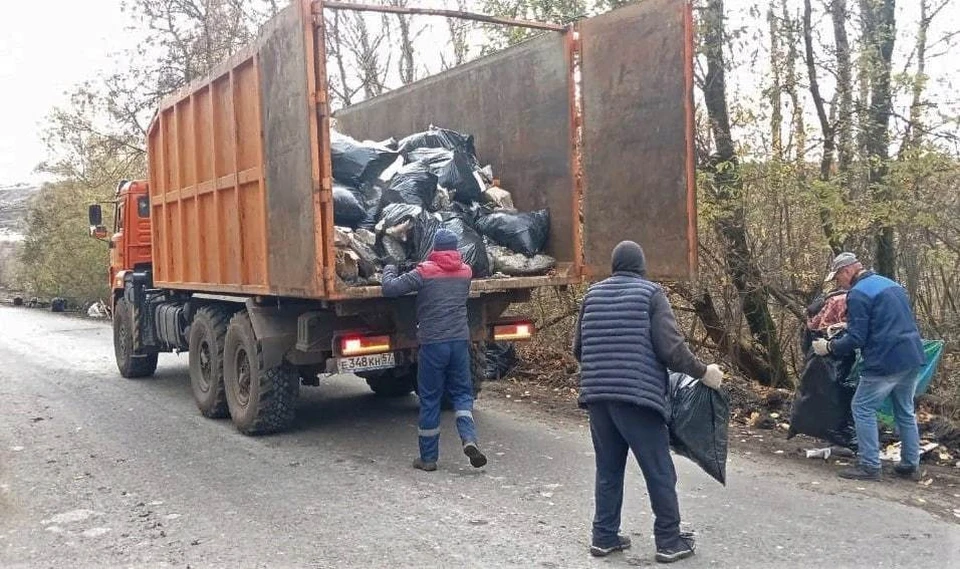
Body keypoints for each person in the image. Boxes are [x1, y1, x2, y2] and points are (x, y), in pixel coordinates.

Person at [573, 240, 723, 563]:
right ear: (641, 266)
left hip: (598, 399)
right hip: (637, 400)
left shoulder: (592, 296)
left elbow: (578, 348)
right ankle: (669, 540)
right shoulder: (651, 295)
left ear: (614, 266)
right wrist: (702, 372)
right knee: (659, 471)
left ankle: (604, 536)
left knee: (608, 469)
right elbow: (671, 349)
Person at [812, 252, 926, 481]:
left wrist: (830, 346)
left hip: (884, 361)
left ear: (847, 271)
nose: (838, 283)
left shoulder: (858, 294)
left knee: (862, 407)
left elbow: (856, 339)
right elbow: (887, 320)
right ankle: (910, 464)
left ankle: (869, 465)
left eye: (838, 278)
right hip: (911, 356)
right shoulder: (890, 284)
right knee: (904, 410)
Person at [382, 228, 487, 472]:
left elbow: (390, 289)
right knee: (462, 395)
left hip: (433, 344)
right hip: (459, 342)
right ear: (456, 249)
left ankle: (428, 459)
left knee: (430, 399)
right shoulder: (466, 272)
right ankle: (469, 439)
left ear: (434, 248)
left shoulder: (424, 273)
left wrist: (390, 267)